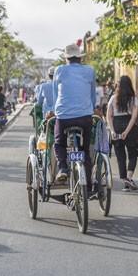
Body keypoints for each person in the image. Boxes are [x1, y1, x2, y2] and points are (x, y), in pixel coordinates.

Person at [52, 43, 96, 185]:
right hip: (85, 116)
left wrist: (54, 110)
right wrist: (92, 108)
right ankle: (88, 184)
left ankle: (63, 168)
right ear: (80, 58)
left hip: (64, 116)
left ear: (67, 59)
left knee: (59, 143)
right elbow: (92, 95)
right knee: (85, 150)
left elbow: (55, 96)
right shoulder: (89, 70)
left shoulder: (59, 70)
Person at [106, 75, 138, 192]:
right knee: (133, 153)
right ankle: (129, 178)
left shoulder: (113, 98)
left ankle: (125, 181)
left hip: (116, 124)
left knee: (120, 156)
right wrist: (127, 131)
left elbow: (109, 116)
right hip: (129, 127)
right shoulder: (133, 99)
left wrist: (112, 130)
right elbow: (134, 117)